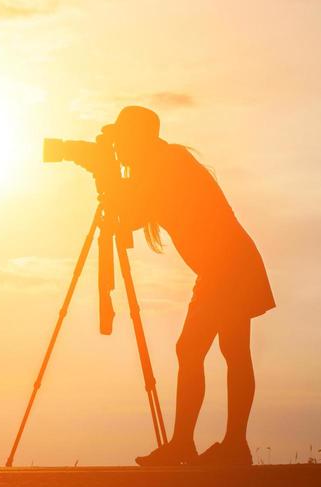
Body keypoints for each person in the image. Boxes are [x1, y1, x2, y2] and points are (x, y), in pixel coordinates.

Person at [107, 105, 274, 468]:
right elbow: (135, 215)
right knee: (231, 351)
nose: (118, 146)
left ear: (137, 138)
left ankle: (196, 443)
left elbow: (133, 214)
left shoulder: (167, 165)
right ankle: (230, 445)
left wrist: (110, 185)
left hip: (227, 265)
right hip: (226, 265)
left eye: (121, 138)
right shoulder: (164, 163)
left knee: (195, 348)